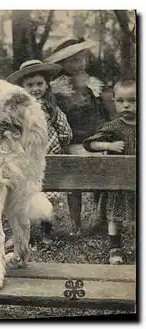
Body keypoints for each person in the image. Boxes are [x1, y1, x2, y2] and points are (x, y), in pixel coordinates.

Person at [45, 37, 112, 235]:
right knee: (74, 184)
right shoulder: (57, 90)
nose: (80, 64)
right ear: (62, 64)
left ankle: (101, 218)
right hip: (73, 142)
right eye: (74, 60)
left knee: (105, 176)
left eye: (82, 59)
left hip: (96, 139)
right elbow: (59, 117)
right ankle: (76, 224)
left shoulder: (93, 85)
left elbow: (101, 113)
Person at [6, 59, 73, 246]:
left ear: (46, 85)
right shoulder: (17, 111)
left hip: (48, 156)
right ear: (22, 88)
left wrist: (60, 143)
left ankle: (46, 233)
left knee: (47, 193)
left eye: (39, 84)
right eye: (30, 85)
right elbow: (12, 131)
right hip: (25, 158)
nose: (35, 89)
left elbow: (65, 130)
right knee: (20, 195)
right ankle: (18, 234)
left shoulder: (52, 108)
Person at [82, 80, 136, 264]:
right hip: (117, 182)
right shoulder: (114, 126)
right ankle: (115, 248)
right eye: (121, 101)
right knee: (115, 216)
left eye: (133, 100)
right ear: (113, 100)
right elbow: (90, 143)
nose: (126, 105)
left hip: (137, 180)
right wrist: (109, 145)